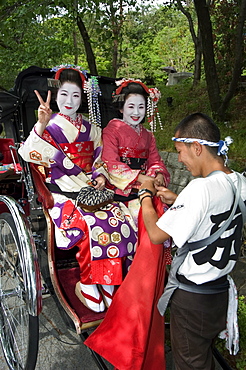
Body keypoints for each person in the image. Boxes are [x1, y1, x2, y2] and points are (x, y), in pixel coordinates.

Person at [18, 65, 137, 313]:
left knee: (118, 217)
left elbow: (98, 161)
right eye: (64, 95)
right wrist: (40, 124)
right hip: (62, 194)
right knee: (89, 224)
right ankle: (88, 283)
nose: (69, 101)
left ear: (82, 98)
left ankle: (108, 281)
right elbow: (27, 152)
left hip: (90, 191)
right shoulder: (49, 126)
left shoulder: (91, 128)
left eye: (75, 95)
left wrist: (101, 177)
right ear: (56, 96)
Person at [138, 112, 246, 370]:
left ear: (197, 147)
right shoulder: (239, 181)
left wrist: (145, 195)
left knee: (190, 364)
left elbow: (156, 234)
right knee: (203, 357)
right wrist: (179, 201)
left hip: (192, 301)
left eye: (180, 151)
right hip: (219, 294)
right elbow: (215, 212)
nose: (178, 159)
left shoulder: (199, 189)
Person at [102, 79, 172, 262]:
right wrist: (143, 179)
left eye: (141, 107)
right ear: (121, 107)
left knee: (166, 212)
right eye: (131, 106)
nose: (136, 112)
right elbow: (110, 162)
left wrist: (157, 175)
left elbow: (155, 161)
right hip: (121, 190)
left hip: (145, 187)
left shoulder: (148, 135)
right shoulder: (112, 130)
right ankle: (136, 265)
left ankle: (156, 267)